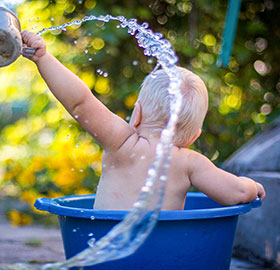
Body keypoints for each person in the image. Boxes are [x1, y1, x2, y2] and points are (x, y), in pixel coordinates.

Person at [21, 30, 266, 211]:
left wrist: (43, 58)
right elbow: (237, 193)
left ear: (136, 114)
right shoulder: (190, 163)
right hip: (163, 258)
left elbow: (80, 102)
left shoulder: (122, 143)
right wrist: (253, 186)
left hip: (106, 250)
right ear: (194, 136)